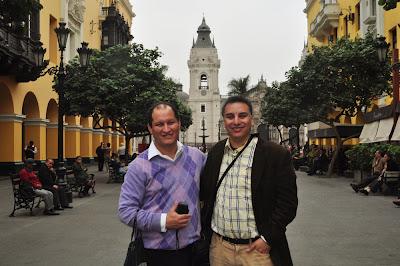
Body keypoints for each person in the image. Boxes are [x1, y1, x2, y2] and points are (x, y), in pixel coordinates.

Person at [200, 96, 298, 266]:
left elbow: (288, 204)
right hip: (219, 250)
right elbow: (206, 195)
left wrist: (267, 238)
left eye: (242, 116)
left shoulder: (274, 155)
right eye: (230, 116)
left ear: (251, 119)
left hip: (256, 251)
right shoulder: (216, 152)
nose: (236, 121)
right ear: (223, 120)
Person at [119, 102, 206, 266]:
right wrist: (164, 221)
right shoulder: (139, 166)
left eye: (171, 122)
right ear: (150, 128)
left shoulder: (197, 157)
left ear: (179, 123)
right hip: (157, 253)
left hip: (196, 251)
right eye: (159, 124)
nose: (166, 129)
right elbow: (126, 212)